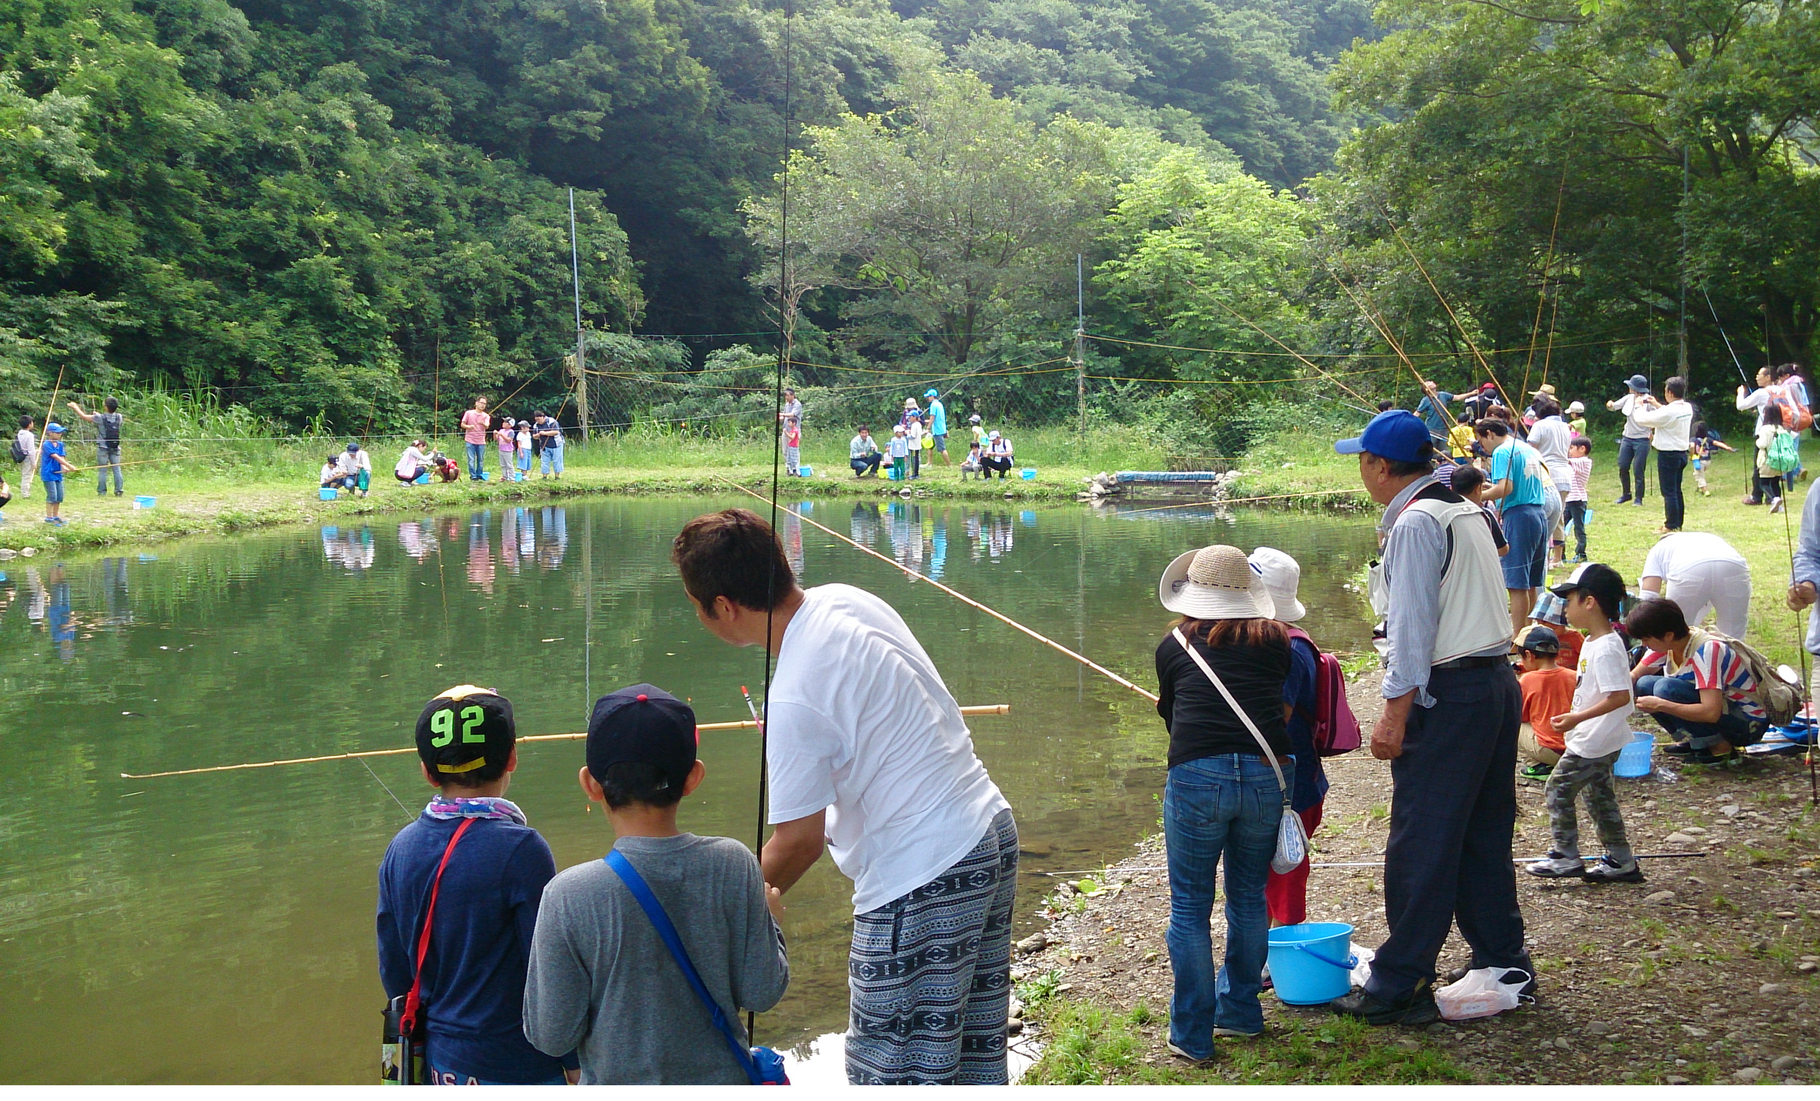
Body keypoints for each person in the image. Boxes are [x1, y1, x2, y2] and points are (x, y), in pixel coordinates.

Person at [672, 509, 1016, 1084]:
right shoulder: (847, 598)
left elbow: (799, 843)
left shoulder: (793, 696)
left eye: (697, 602)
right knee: (973, 1056)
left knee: (894, 1072)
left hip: (922, 875)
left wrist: (728, 907)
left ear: (724, 606)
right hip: (988, 832)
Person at [1332, 411, 1527, 1026]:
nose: (1361, 470)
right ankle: (1504, 960)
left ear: (1380, 466)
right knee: (1482, 831)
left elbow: (1412, 631)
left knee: (1423, 838)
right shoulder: (1463, 508)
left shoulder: (1416, 523)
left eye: (1361, 460)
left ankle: (1399, 981)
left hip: (1452, 693)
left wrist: (1393, 715)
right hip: (1496, 683)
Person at [523, 684, 788, 1083]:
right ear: (693, 777)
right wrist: (773, 924)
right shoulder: (734, 864)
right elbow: (762, 992)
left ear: (591, 785)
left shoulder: (566, 895)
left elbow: (549, 1033)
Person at [376, 686, 577, 1085]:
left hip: (439, 1061)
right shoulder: (523, 849)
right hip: (519, 1063)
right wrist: (573, 1063)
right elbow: (548, 970)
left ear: (427, 771)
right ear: (512, 758)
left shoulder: (400, 848)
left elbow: (395, 968)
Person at [1151, 544, 1290, 1062]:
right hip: (1267, 773)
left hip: (1197, 774)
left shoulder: (1175, 645)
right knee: (1249, 898)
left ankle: (1191, 1033)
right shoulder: (1278, 640)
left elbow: (1172, 715)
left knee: (1189, 906)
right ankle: (1241, 1014)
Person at [1527, 564, 1642, 883]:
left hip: (1596, 740)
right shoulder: (1594, 641)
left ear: (1589, 602)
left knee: (1558, 787)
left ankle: (1566, 856)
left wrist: (1577, 717)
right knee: (1598, 796)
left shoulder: (1605, 646)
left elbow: (1620, 696)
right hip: (1597, 737)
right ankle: (1621, 860)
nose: (1565, 608)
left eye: (1570, 600)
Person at [1249, 547, 1329, 932]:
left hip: (1292, 786)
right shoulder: (1276, 643)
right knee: (1262, 870)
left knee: (1286, 870)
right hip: (1283, 781)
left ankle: (1281, 953)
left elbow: (1275, 720)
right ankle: (1261, 950)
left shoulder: (1289, 650)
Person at [1629, 598, 1767, 764]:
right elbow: (1634, 677)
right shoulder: (1670, 644)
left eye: (1646, 639)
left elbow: (1711, 712)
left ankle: (1720, 748)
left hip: (1748, 722)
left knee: (1665, 689)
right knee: (1644, 685)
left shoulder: (1706, 650)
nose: (1644, 644)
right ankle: (1697, 742)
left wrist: (1660, 705)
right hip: (1723, 710)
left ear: (1668, 635)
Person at [1475, 419, 1548, 635]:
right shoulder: (1524, 447)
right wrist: (1491, 488)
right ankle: (1531, 634)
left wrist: (1477, 496)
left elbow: (1505, 488)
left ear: (1489, 434)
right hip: (1538, 513)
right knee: (1531, 580)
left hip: (1518, 515)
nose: (1483, 448)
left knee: (1516, 582)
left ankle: (1517, 636)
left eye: (1481, 442)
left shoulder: (1501, 452)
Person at [1637, 531, 1751, 639]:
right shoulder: (1705, 537)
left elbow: (1648, 595)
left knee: (1676, 632)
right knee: (1733, 634)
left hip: (1688, 568)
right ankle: (1733, 656)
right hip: (1733, 565)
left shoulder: (1658, 549)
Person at [1513, 625, 1575, 781]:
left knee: (1513, 724)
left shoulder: (1527, 680)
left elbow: (1522, 716)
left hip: (1549, 751)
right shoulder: (1573, 676)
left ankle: (1538, 766)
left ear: (1528, 655)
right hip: (1574, 750)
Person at [1633, 376, 1693, 533]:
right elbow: (1668, 414)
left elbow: (1642, 420)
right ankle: (1678, 522)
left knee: (1668, 492)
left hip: (1668, 455)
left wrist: (1638, 406)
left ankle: (1670, 524)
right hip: (1681, 453)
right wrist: (1656, 404)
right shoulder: (1687, 407)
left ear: (1670, 393)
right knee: (1676, 490)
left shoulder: (1668, 412)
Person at [1526, 396, 1573, 564]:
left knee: (1543, 515)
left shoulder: (1540, 425)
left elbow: (1530, 448)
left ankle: (1543, 557)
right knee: (1559, 516)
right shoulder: (1565, 427)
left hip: (1546, 473)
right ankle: (1558, 558)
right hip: (1564, 474)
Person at [1736, 366, 1785, 504]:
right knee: (1775, 462)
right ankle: (1775, 495)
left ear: (1768, 377)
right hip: (1780, 431)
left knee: (1760, 464)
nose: (1757, 377)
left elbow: (1741, 406)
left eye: (1759, 374)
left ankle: (1757, 496)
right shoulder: (1782, 390)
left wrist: (1740, 393)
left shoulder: (1762, 393)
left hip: (1763, 432)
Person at [1607, 375, 1653, 506]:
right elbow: (1614, 406)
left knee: (1638, 469)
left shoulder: (1648, 401)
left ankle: (1639, 498)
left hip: (1642, 440)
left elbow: (1657, 417)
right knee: (1623, 466)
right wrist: (1610, 404)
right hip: (1627, 438)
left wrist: (1653, 432)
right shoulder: (1628, 398)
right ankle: (1626, 494)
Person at [67, 397, 124, 497]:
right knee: (116, 468)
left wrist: (75, 407)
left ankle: (102, 492)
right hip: (115, 447)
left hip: (103, 447)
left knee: (103, 470)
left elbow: (84, 416)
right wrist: (97, 415)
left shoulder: (100, 418)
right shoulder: (119, 417)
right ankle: (118, 490)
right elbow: (108, 418)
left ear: (106, 407)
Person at [1448, 464, 1509, 557]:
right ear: (1478, 489)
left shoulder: (1444, 515)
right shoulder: (1485, 515)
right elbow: (1503, 550)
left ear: (1451, 489)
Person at [1754, 404, 1797, 513]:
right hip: (1779, 460)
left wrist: (1757, 441)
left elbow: (1762, 444)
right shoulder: (1781, 428)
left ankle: (1774, 499)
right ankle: (1779, 506)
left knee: (1763, 482)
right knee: (1775, 482)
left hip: (1767, 460)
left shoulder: (1765, 429)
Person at [39, 422, 74, 526]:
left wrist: (64, 467)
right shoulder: (46, 444)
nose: (60, 434)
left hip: (58, 473)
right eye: (57, 432)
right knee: (52, 496)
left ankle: (55, 516)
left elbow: (61, 456)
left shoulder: (60, 444)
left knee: (59, 496)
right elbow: (55, 456)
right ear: (50, 433)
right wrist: (70, 465)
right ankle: (49, 518)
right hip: (48, 473)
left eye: (60, 432)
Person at [1564, 436, 1592, 563]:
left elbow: (1566, 460)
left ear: (1582, 449)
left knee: (1578, 527)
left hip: (1578, 499)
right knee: (1560, 527)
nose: (1569, 451)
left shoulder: (1585, 461)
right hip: (1569, 499)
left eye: (1572, 448)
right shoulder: (1574, 463)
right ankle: (1561, 553)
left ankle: (1581, 553)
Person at [1689, 421, 1735, 496]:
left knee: (1699, 475)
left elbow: (1692, 446)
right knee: (1701, 473)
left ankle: (1705, 491)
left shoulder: (1693, 439)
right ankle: (1700, 487)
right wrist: (1727, 447)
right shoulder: (1707, 439)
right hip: (1707, 461)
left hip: (1699, 461)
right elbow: (1717, 443)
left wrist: (1692, 455)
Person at [1416, 381, 1460, 446]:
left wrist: (1472, 393)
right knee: (1431, 449)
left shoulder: (1443, 395)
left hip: (1444, 428)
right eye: (1428, 383)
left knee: (1444, 451)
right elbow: (1417, 413)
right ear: (1427, 389)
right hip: (1432, 430)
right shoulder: (1426, 400)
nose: (1431, 382)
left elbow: (1457, 397)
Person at [461, 397, 491, 481]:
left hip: (481, 440)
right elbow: (462, 424)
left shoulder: (486, 416)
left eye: (484, 404)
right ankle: (473, 476)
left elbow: (487, 426)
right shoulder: (468, 413)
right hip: (470, 440)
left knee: (480, 459)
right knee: (471, 459)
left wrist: (483, 423)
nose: (483, 405)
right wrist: (468, 426)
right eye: (481, 403)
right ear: (476, 403)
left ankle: (479, 475)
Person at [924, 388, 950, 464]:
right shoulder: (939, 404)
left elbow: (933, 417)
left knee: (942, 449)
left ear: (932, 396)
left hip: (937, 430)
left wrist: (928, 428)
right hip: (941, 428)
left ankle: (949, 465)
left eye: (928, 396)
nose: (927, 398)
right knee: (930, 446)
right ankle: (929, 463)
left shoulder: (933, 405)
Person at [535, 412, 564, 478]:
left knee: (557, 460)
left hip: (556, 444)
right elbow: (534, 436)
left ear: (543, 417)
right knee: (544, 461)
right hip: (544, 446)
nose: (537, 421)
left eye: (539, 419)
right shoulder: (536, 425)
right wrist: (537, 435)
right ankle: (544, 476)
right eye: (536, 420)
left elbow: (556, 432)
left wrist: (545, 433)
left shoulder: (552, 422)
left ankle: (557, 476)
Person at [15, 415, 36, 498]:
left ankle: (25, 493)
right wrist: (33, 462)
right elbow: (31, 450)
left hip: (21, 456)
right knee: (26, 476)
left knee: (24, 475)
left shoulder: (19, 433)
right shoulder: (29, 435)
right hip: (27, 457)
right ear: (29, 424)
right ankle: (25, 494)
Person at [904, 413, 924, 479]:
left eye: (910, 417)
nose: (909, 418)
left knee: (914, 460)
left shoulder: (914, 425)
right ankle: (916, 473)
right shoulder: (919, 424)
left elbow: (912, 436)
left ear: (914, 417)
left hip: (913, 446)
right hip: (917, 445)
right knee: (916, 459)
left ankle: (915, 474)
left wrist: (907, 433)